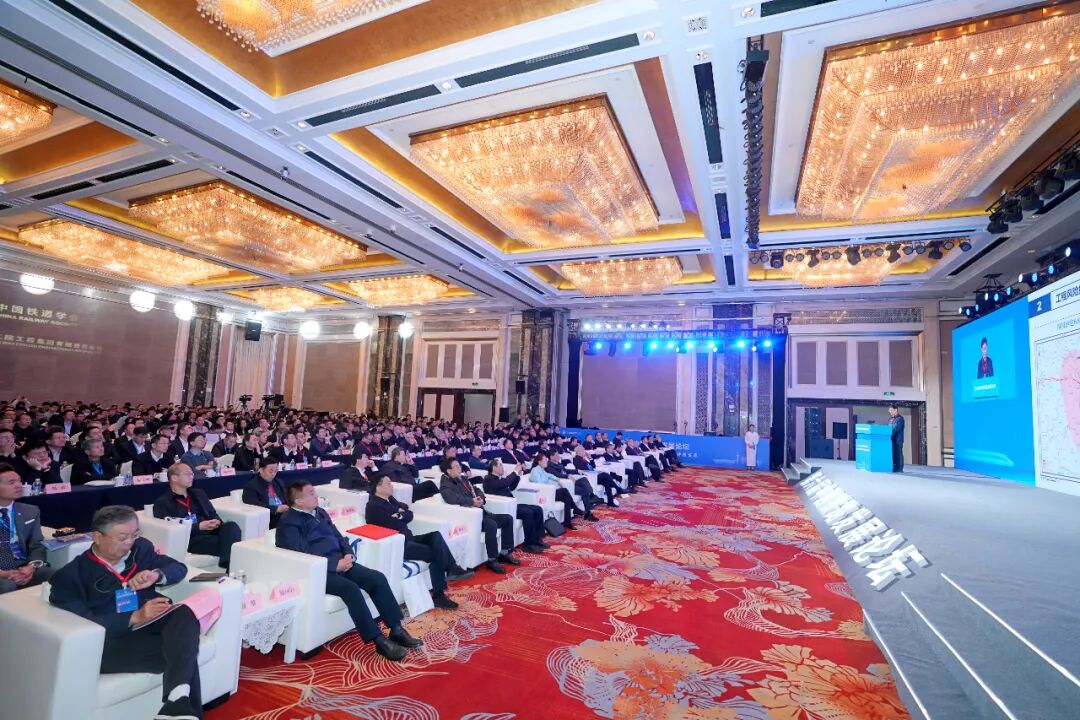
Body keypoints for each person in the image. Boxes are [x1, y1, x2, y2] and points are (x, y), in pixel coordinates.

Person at [49, 505, 201, 720]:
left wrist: (156, 575)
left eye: (134, 534)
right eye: (122, 537)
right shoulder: (70, 577)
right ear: (97, 537)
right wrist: (134, 617)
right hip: (108, 644)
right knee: (182, 648)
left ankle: (177, 703)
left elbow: (178, 568)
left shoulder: (141, 550)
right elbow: (86, 625)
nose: (130, 542)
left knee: (183, 613)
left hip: (145, 627)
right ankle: (178, 705)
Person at [276, 481, 421, 661]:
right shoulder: (289, 522)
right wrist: (333, 565)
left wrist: (348, 554)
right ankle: (378, 640)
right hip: (317, 572)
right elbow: (300, 553)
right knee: (351, 589)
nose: (316, 496)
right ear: (299, 501)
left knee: (377, 579)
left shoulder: (320, 512)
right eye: (311, 493)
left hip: (341, 562)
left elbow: (338, 536)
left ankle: (396, 629)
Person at [366, 472, 467, 608]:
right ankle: (439, 595)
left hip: (409, 537)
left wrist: (400, 515)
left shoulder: (390, 500)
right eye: (388, 483)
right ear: (378, 487)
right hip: (399, 545)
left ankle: (451, 567)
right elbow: (391, 524)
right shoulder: (373, 506)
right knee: (435, 553)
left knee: (435, 536)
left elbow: (409, 513)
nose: (392, 486)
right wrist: (401, 515)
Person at [152, 463, 241, 570]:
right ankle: (231, 568)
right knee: (231, 544)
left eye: (192, 474)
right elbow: (169, 531)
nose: (192, 477)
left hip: (211, 531)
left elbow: (212, 513)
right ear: (174, 478)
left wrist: (216, 521)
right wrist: (198, 527)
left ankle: (229, 566)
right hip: (191, 539)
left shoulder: (198, 494)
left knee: (231, 526)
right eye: (187, 474)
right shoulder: (163, 503)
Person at [439, 459, 518, 573]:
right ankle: (492, 560)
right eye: (456, 466)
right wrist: (472, 502)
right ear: (449, 471)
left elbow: (476, 489)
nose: (460, 468)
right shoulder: (446, 485)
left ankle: (505, 553)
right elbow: (453, 499)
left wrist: (481, 499)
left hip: (481, 513)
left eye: (459, 465)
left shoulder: (462, 478)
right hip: (470, 518)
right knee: (491, 524)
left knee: (508, 519)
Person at [0, 464, 52, 593]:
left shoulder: (30, 511)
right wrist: (5, 574)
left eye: (19, 481)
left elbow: (37, 544)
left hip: (22, 565)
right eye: (11, 482)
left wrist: (32, 566)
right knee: (8, 586)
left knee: (56, 575)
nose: (19, 485)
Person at [482, 458, 547, 553]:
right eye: (500, 465)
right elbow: (505, 483)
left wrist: (518, 475)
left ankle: (537, 539)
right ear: (494, 467)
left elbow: (511, 486)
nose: (503, 467)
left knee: (537, 509)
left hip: (512, 504)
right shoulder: (488, 479)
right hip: (504, 507)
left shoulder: (500, 478)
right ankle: (529, 544)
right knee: (528, 513)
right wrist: (515, 472)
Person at [527, 453, 582, 528]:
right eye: (545, 460)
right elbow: (539, 483)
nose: (547, 461)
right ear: (539, 462)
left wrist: (557, 479)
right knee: (564, 491)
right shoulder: (535, 470)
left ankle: (568, 522)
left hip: (549, 492)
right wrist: (550, 483)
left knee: (566, 498)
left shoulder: (542, 470)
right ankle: (575, 509)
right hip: (543, 494)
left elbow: (550, 475)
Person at [241, 460, 289, 529]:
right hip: (269, 518)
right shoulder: (251, 486)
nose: (273, 474)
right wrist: (276, 509)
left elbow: (287, 497)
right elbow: (253, 505)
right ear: (261, 470)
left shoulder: (278, 482)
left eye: (276, 471)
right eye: (270, 471)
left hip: (284, 514)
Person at [888, 406, 905, 473]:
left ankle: (899, 468)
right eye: (889, 411)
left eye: (891, 410)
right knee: (894, 454)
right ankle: (895, 467)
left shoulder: (900, 419)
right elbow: (888, 427)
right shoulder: (890, 419)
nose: (890, 412)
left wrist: (889, 432)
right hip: (891, 439)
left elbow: (896, 429)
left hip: (898, 439)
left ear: (896, 410)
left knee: (898, 454)